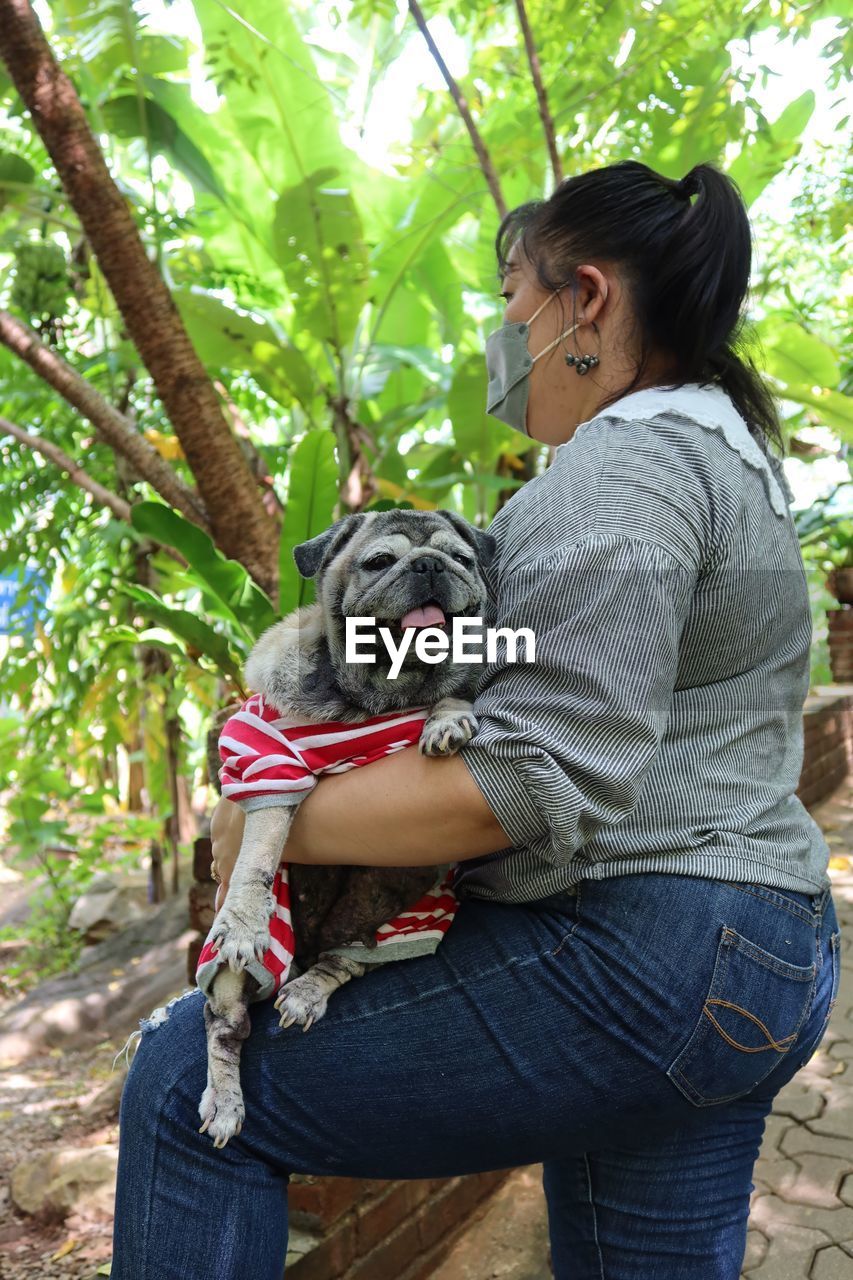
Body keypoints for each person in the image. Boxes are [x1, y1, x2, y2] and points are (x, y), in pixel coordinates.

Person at [111, 160, 841, 1280]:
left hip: (647, 949)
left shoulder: (625, 472)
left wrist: (267, 826)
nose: (502, 332)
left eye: (512, 299)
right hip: (747, 951)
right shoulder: (720, 452)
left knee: (181, 1082)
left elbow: (521, 781)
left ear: (582, 300)